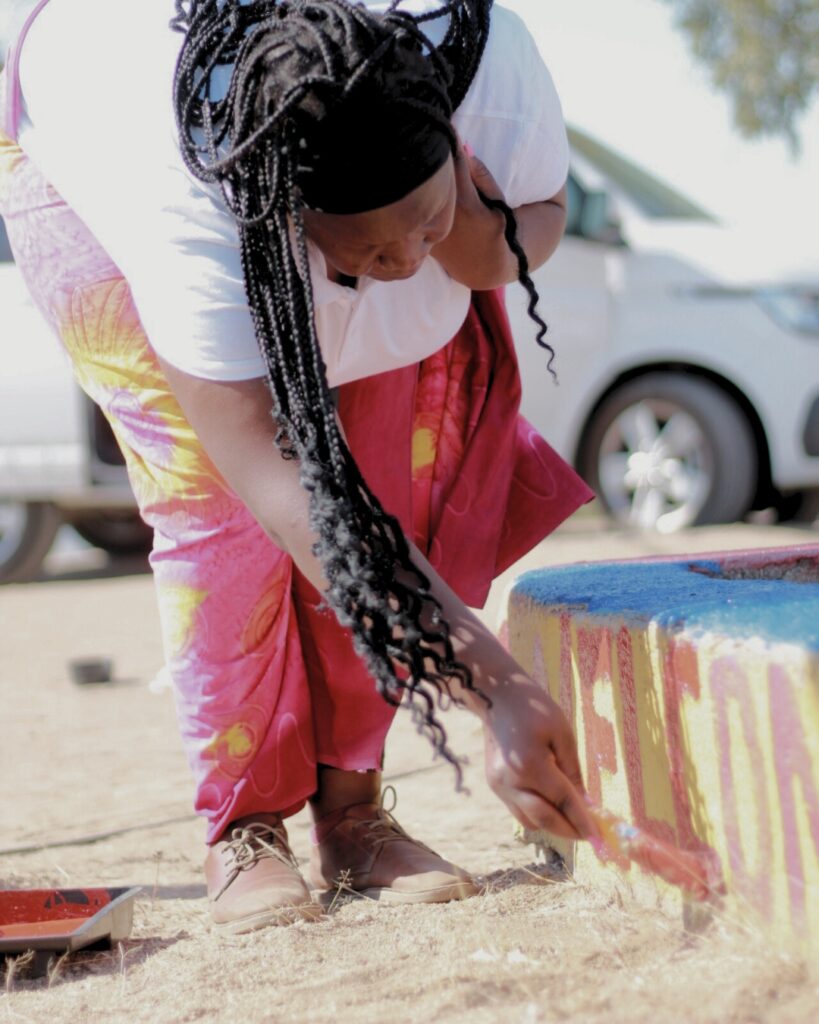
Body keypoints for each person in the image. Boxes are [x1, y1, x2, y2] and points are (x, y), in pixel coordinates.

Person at [0, 0, 597, 935]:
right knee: (220, 508)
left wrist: (475, 235)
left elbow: (540, 209)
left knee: (390, 463)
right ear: (282, 216)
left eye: (420, 226)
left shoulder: (489, 64)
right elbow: (294, 497)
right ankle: (243, 826)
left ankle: (352, 812)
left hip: (377, 177)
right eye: (372, 249)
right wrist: (497, 694)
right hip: (75, 138)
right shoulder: (185, 217)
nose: (406, 261)